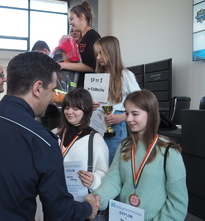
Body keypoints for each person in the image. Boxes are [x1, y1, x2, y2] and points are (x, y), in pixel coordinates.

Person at [0, 52, 100, 220]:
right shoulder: (42, 140)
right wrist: (88, 207)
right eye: (52, 90)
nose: (52, 98)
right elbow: (59, 213)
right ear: (37, 88)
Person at [93, 89, 188, 221]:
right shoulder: (124, 146)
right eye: (127, 113)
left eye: (135, 114)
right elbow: (113, 180)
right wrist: (99, 197)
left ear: (151, 114)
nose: (129, 119)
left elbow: (177, 204)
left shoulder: (169, 151)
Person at [93, 36, 140, 164]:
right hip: (98, 123)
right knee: (100, 161)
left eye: (101, 53)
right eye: (96, 54)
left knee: (115, 162)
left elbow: (140, 104)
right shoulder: (98, 77)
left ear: (112, 52)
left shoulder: (126, 75)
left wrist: (122, 117)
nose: (98, 58)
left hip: (117, 126)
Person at [56, 88, 109, 192]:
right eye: (67, 107)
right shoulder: (54, 134)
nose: (69, 112)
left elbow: (104, 172)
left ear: (86, 110)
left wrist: (94, 180)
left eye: (75, 109)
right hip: (55, 195)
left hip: (80, 200)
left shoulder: (95, 139)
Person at [58, 0, 101, 87]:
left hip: (89, 87)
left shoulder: (92, 35)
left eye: (72, 19)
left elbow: (90, 66)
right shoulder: (80, 38)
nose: (70, 23)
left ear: (81, 16)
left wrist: (62, 65)